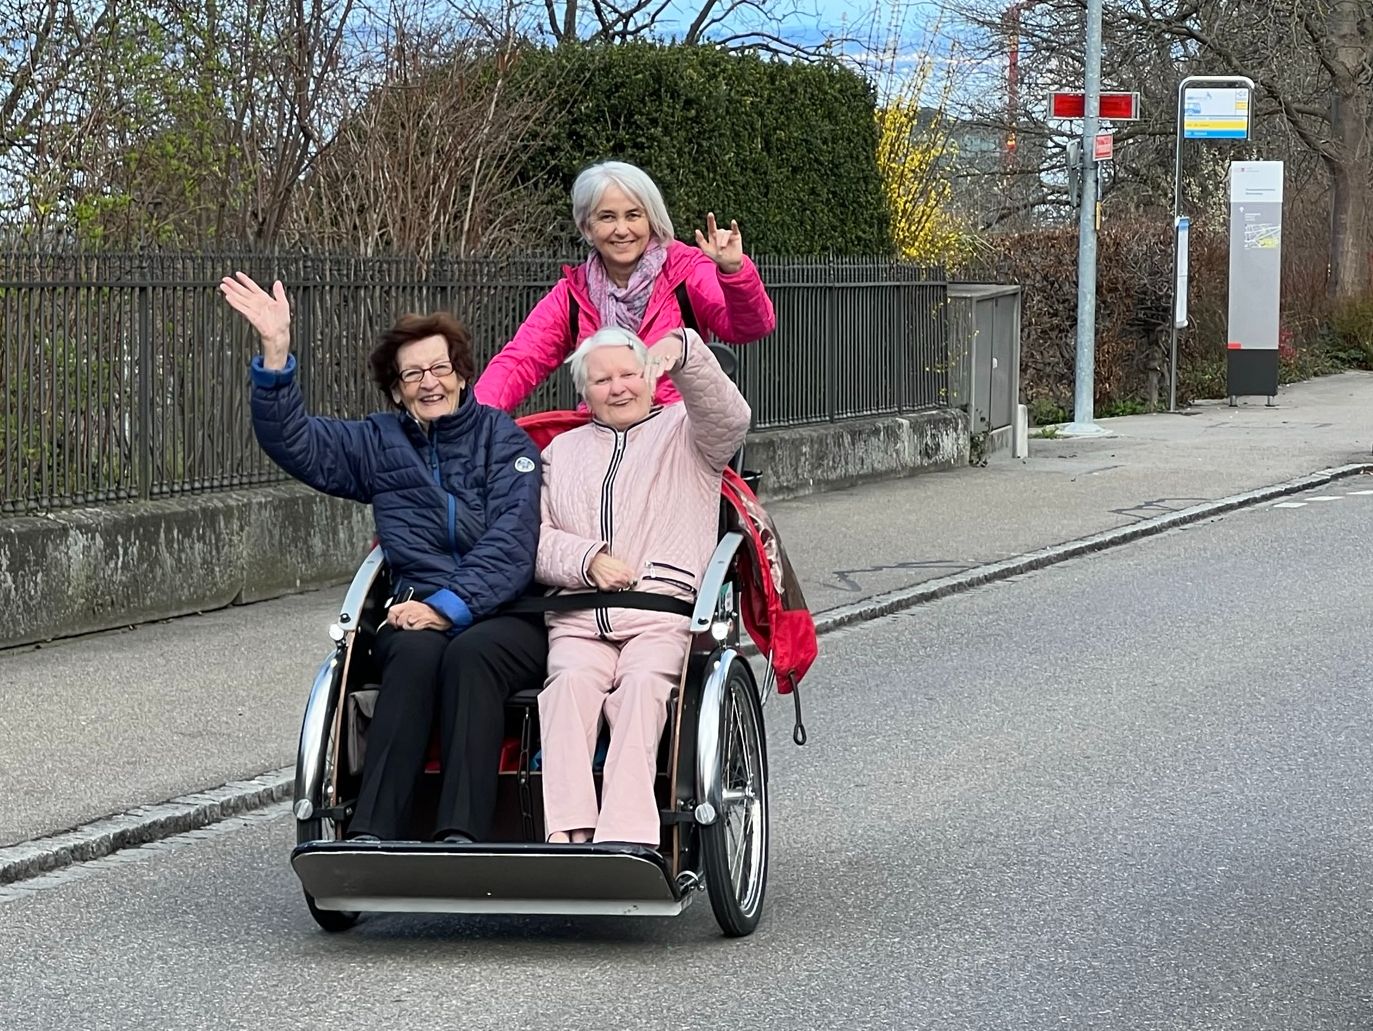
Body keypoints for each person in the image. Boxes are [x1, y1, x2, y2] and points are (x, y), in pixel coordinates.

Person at [220, 272, 545, 844]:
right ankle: (372, 832)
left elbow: (512, 543)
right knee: (413, 657)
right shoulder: (377, 442)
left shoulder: (504, 439)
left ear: (463, 374)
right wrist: (276, 354)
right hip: (412, 609)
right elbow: (295, 442)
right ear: (395, 390)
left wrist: (447, 608)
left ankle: (462, 834)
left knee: (471, 656)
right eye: (413, 374)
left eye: (440, 369)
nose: (429, 383)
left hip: (506, 614)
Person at [534, 325, 751, 846]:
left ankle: (625, 834)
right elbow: (534, 539)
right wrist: (588, 560)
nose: (618, 387)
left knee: (640, 692)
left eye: (629, 373)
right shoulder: (561, 453)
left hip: (659, 611)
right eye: (602, 379)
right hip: (581, 616)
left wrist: (684, 350)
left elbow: (731, 416)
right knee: (565, 692)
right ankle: (568, 832)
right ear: (583, 394)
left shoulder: (688, 434)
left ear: (652, 380)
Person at [474, 160, 776, 413]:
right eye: (607, 217)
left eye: (633, 215)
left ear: (651, 220)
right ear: (586, 227)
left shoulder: (687, 270)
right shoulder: (572, 295)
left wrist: (734, 271)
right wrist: (469, 424)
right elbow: (519, 362)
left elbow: (752, 327)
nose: (621, 230)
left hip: (679, 435)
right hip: (605, 438)